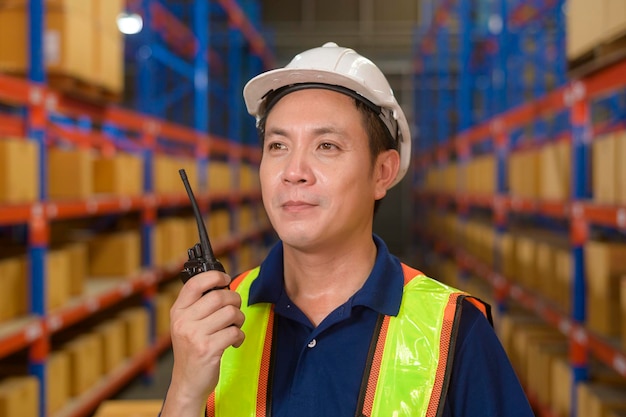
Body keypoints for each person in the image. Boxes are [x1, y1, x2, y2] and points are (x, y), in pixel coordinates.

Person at [160, 42, 535, 417]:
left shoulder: (454, 331)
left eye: (326, 145)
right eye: (277, 145)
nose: (293, 171)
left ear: (382, 173)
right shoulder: (219, 317)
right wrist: (184, 391)